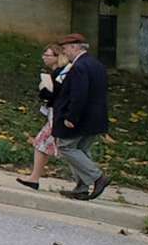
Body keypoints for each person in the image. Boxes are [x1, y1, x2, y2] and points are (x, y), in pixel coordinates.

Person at [48, 33, 110, 200]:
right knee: (81, 150)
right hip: (96, 117)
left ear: (75, 47)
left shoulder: (80, 67)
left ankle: (97, 177)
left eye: (66, 49)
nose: (64, 52)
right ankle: (81, 188)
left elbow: (79, 95)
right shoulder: (96, 64)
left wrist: (71, 117)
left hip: (81, 117)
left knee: (65, 147)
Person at [14, 45, 64, 190]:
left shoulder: (60, 74)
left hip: (57, 115)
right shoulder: (55, 73)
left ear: (57, 57)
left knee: (58, 147)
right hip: (53, 114)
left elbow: (57, 95)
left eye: (48, 55)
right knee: (42, 143)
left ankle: (91, 178)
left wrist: (45, 91)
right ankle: (34, 178)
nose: (44, 57)